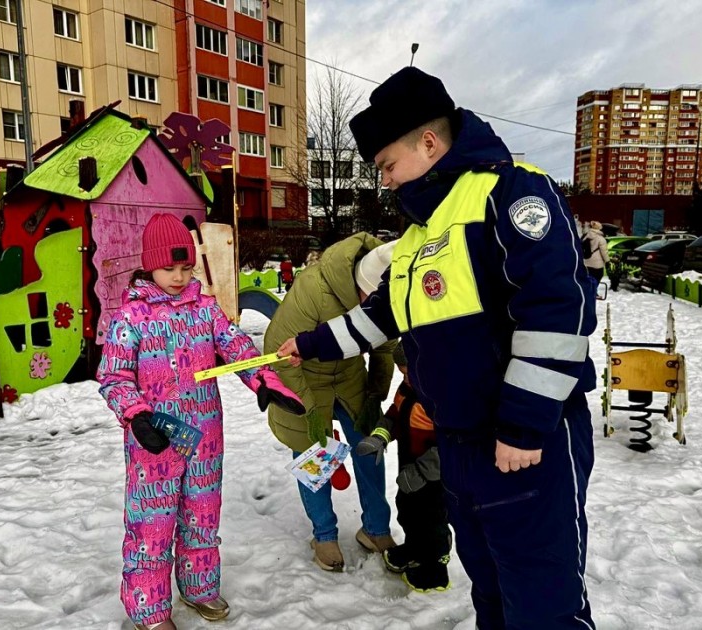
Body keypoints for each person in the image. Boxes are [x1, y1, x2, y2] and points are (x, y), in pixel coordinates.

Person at [277, 67, 598, 629]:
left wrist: (523, 425)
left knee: (544, 602)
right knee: (493, 591)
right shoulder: (420, 236)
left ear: (428, 142)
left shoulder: (510, 191)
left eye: (386, 165)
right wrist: (310, 344)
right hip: (463, 447)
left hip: (524, 444)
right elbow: (380, 317)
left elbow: (557, 310)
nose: (385, 181)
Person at [97, 213, 304, 630]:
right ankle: (150, 608)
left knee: (202, 514)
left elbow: (234, 344)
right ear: (149, 265)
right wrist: (135, 414)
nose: (178, 276)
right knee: (153, 524)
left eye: (186, 267)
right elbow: (113, 376)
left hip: (205, 436)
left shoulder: (205, 308)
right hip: (156, 439)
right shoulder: (131, 317)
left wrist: (263, 377)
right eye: (169, 268)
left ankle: (199, 586)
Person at [263, 233, 398, 572]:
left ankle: (376, 529)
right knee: (314, 452)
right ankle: (324, 535)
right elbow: (279, 351)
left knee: (370, 445)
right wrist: (309, 412)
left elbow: (384, 345)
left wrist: (374, 394)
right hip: (304, 376)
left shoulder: (385, 290)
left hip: (350, 375)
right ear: (359, 286)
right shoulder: (313, 288)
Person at [356, 342, 452, 593]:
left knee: (431, 519)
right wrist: (380, 435)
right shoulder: (408, 388)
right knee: (408, 511)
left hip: (434, 475)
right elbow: (396, 414)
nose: (406, 377)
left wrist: (422, 472)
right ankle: (414, 549)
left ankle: (433, 567)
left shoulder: (443, 396)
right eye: (402, 372)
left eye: (410, 371)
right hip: (408, 465)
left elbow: (452, 445)